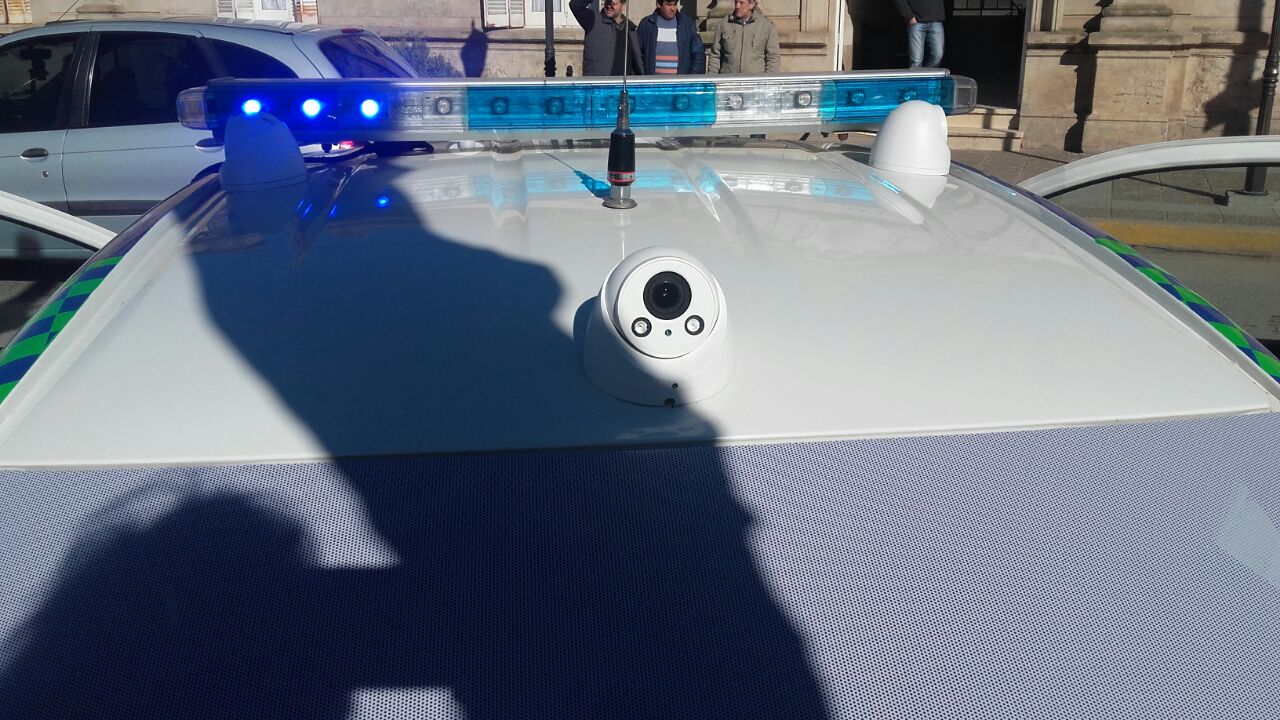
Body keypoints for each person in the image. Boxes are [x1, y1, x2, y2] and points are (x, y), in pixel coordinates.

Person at [570, 0, 643, 76]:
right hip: (600, 82)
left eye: (613, 4)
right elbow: (575, 6)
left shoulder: (631, 29)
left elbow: (637, 63)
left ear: (622, 5)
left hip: (623, 82)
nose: (609, 6)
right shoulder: (593, 20)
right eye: (607, 2)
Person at [706, 0, 780, 74]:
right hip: (729, 79)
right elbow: (715, 56)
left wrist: (768, 79)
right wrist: (712, 78)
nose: (737, 6)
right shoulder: (723, 25)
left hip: (755, 79)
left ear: (751, 4)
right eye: (736, 2)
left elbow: (772, 57)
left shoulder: (766, 26)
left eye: (741, 3)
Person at [636, 0, 705, 75]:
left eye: (674, 4)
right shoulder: (647, 24)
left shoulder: (687, 23)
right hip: (653, 80)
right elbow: (637, 55)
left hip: (681, 80)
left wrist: (691, 78)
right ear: (658, 4)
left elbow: (698, 54)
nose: (672, 8)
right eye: (669, 5)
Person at [893, 0, 944, 68]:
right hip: (917, 22)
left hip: (936, 21)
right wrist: (909, 16)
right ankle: (919, 75)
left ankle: (927, 74)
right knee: (916, 60)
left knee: (937, 56)